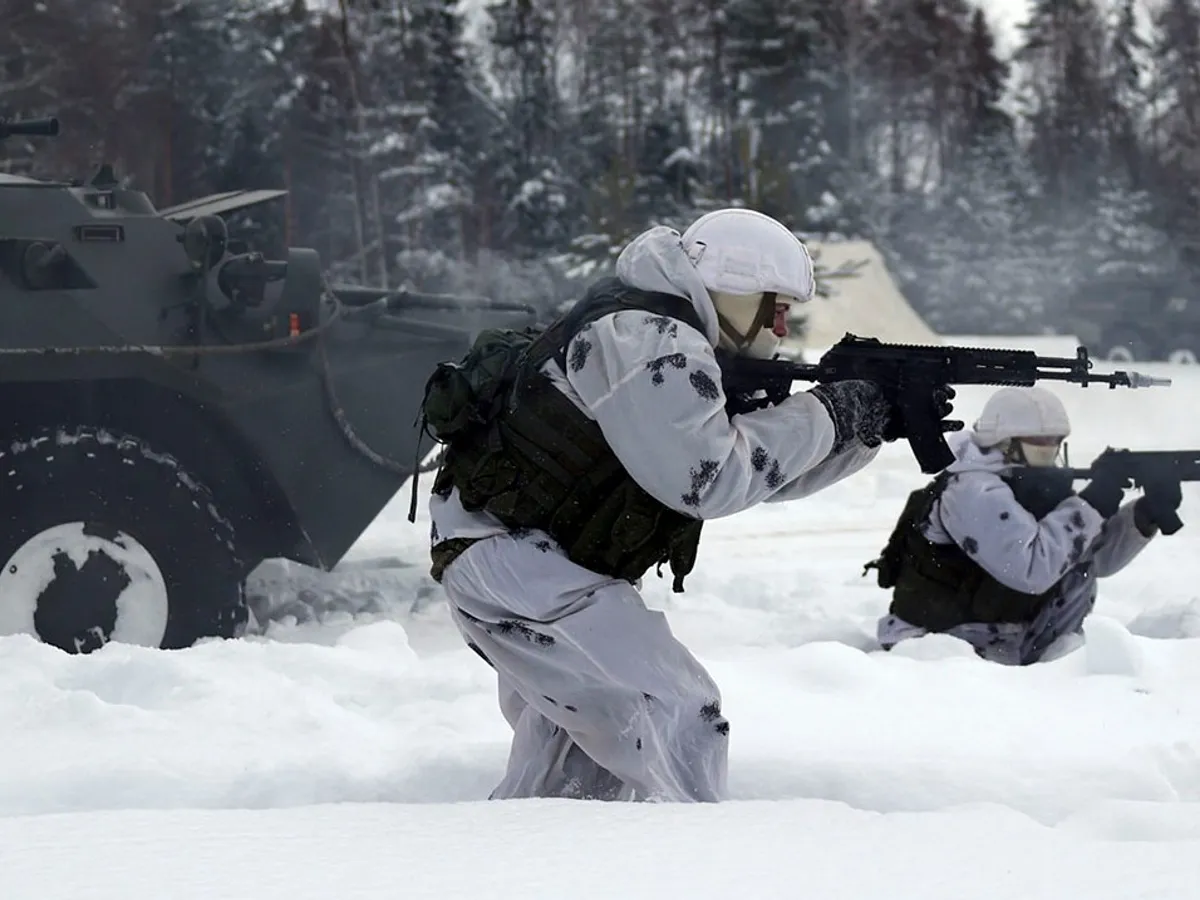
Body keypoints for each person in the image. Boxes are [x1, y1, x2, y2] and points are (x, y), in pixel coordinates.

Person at [422, 208, 953, 802]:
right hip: (516, 565)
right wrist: (832, 413)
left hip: (522, 559)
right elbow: (710, 480)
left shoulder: (667, 339)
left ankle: (550, 860)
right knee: (674, 712)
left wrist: (865, 429)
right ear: (734, 292)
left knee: (583, 747)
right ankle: (686, 860)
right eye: (775, 308)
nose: (783, 326)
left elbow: (759, 475)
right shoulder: (650, 341)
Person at [871, 385, 1183, 665]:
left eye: (1055, 442)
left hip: (998, 638)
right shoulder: (972, 490)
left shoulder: (1026, 484)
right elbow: (1033, 569)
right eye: (1040, 443)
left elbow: (1087, 561)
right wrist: (1091, 503)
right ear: (1006, 443)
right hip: (941, 649)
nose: (1051, 450)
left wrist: (1141, 517)